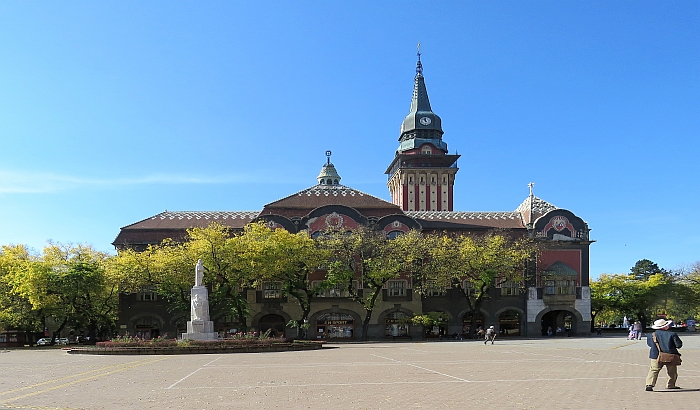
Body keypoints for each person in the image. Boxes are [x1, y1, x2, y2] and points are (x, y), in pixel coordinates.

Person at [645, 318, 683, 391]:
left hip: (655, 355)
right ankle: (670, 385)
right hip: (670, 355)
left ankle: (649, 384)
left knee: (654, 370)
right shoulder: (672, 334)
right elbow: (679, 345)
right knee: (672, 371)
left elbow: (649, 344)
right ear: (665, 326)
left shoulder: (651, 335)